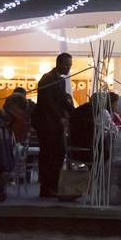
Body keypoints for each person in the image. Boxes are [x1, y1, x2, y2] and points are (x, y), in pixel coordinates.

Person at [30, 53, 74, 198]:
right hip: (46, 123)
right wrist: (59, 117)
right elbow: (47, 103)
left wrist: (75, 113)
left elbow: (62, 100)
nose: (68, 68)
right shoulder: (47, 79)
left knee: (59, 153)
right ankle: (46, 188)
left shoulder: (60, 81)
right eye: (66, 65)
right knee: (48, 155)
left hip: (54, 124)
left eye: (70, 65)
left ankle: (53, 185)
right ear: (59, 63)